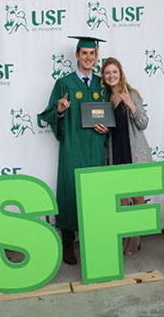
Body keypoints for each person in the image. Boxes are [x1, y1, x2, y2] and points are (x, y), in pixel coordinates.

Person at [38, 36, 108, 265]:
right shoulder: (64, 83)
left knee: (96, 193)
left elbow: (110, 117)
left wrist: (106, 128)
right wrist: (59, 110)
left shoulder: (102, 84)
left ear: (97, 57)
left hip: (96, 148)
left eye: (93, 53)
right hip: (73, 147)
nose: (89, 57)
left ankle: (95, 240)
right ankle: (67, 243)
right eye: (84, 53)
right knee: (70, 191)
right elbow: (49, 113)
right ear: (77, 55)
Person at [101, 57, 153, 256]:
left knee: (136, 197)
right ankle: (126, 235)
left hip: (133, 151)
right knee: (121, 199)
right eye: (107, 73)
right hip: (116, 151)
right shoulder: (104, 98)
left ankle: (135, 239)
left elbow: (143, 123)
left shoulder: (131, 94)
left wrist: (132, 106)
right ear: (104, 77)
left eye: (114, 72)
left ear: (120, 73)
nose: (111, 76)